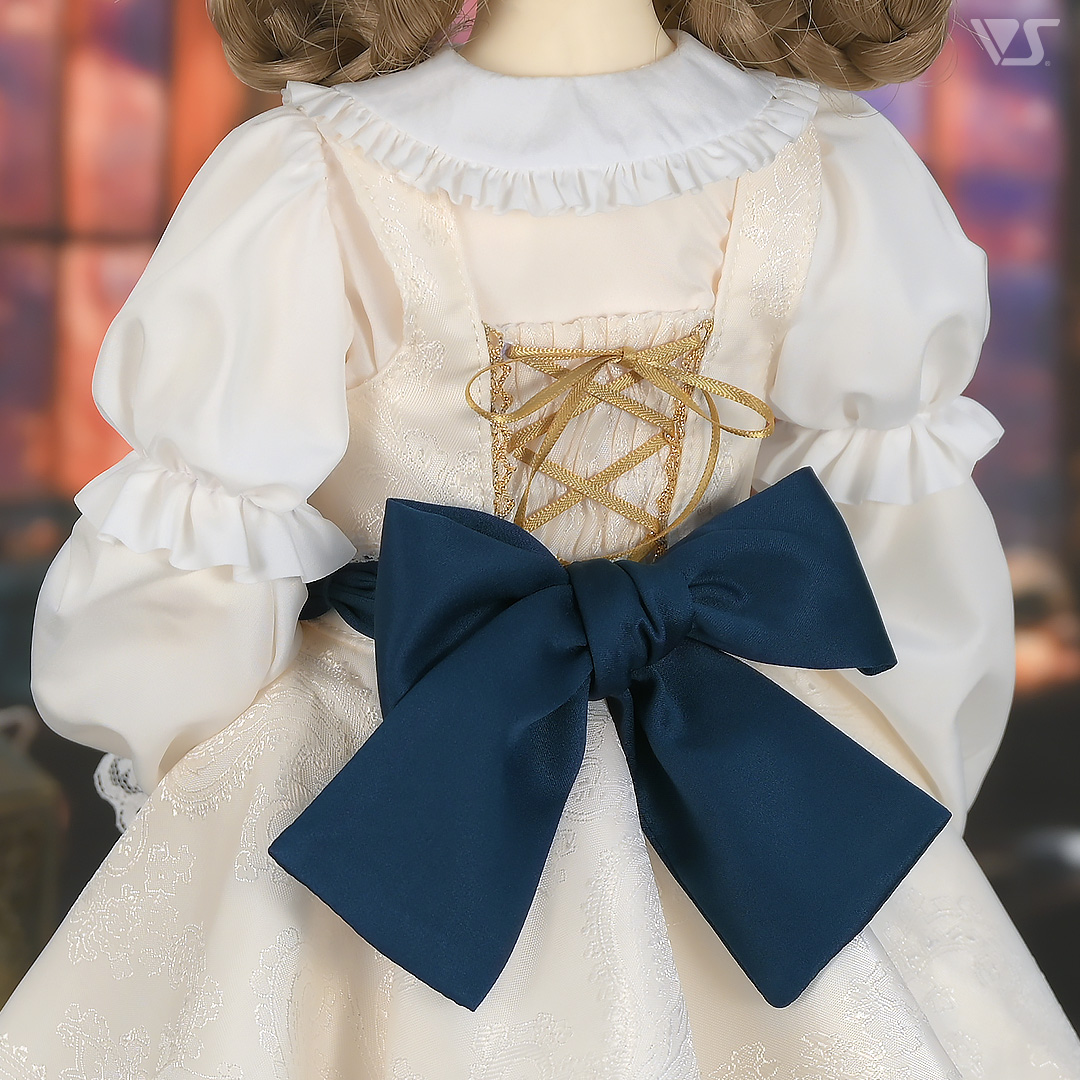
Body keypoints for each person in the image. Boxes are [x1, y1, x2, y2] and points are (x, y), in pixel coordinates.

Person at [2, 0, 1078, 1076]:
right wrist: (890, 777)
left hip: (385, 748)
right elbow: (911, 583)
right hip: (723, 768)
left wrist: (181, 785)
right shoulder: (829, 166)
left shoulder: (308, 179)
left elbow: (190, 598)